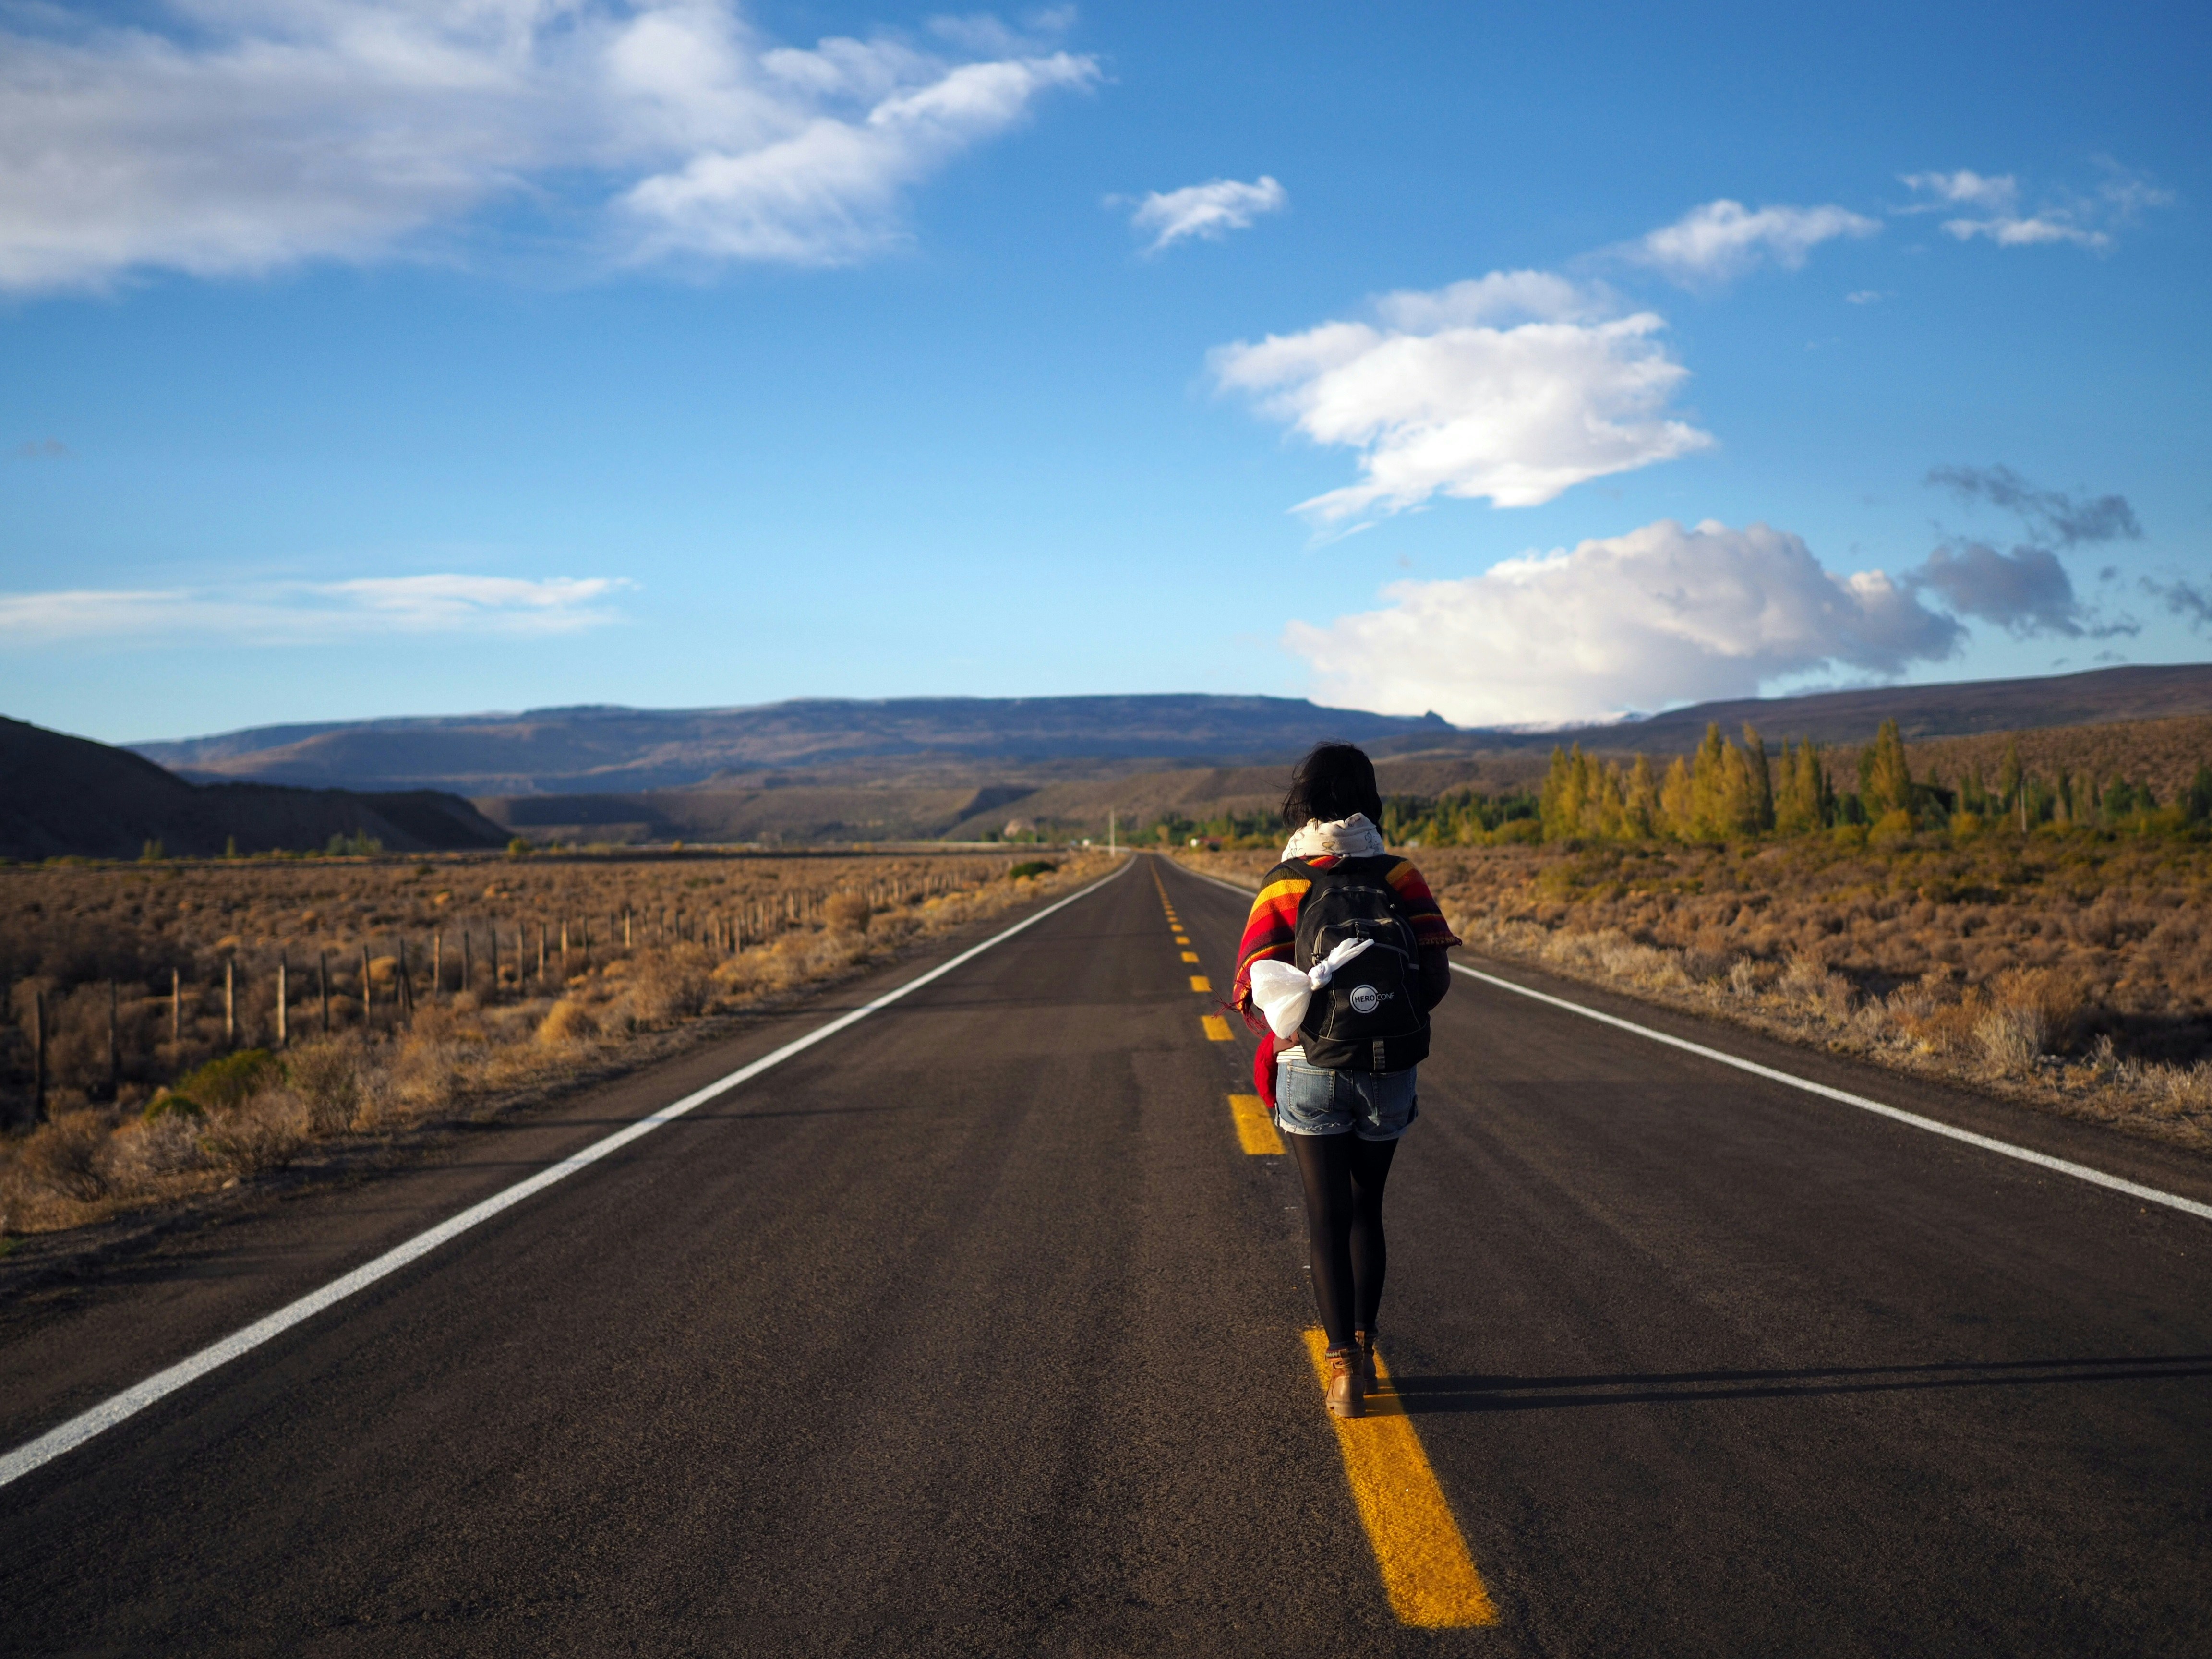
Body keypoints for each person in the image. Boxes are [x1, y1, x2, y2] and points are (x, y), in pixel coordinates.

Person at [1231, 742, 1459, 1418]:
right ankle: (1368, 1339)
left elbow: (1250, 988)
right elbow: (1436, 976)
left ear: (1305, 800)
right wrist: (1382, 1026)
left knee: (1325, 1217)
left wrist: (1303, 1032)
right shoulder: (1401, 874)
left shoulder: (1286, 879)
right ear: (1370, 798)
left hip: (1310, 1068)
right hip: (1388, 1069)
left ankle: (1344, 1372)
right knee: (1368, 1209)